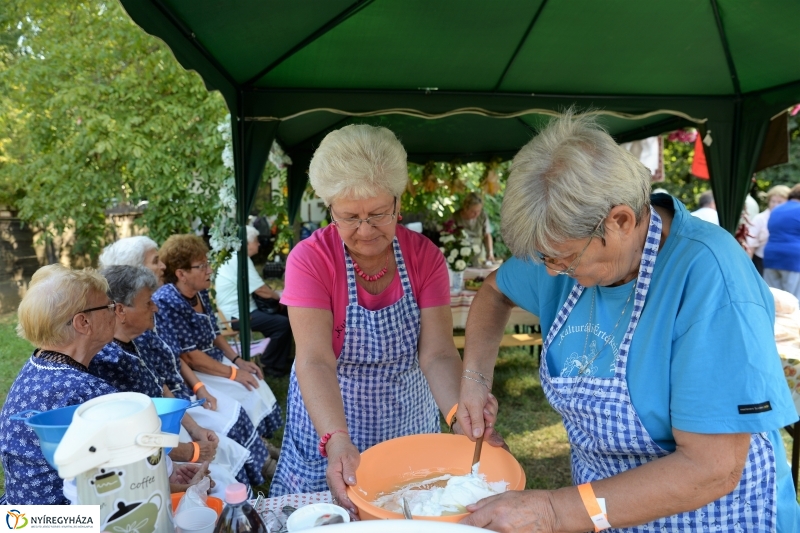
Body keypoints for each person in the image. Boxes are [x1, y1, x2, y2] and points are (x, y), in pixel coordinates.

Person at [457, 113, 799, 532]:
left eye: (563, 258)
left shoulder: (710, 276)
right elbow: (495, 292)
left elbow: (712, 468)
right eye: (545, 258)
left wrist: (553, 511)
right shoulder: (563, 246)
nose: (550, 272)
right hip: (603, 510)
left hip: (713, 516)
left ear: (620, 221)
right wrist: (474, 381)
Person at [270, 124, 504, 514]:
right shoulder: (310, 260)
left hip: (406, 413)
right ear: (331, 209)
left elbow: (438, 354)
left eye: (378, 214)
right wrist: (336, 438)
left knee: (408, 510)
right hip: (332, 411)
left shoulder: (424, 256)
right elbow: (314, 360)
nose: (365, 231)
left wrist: (456, 416)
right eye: (349, 217)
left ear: (398, 201)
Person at [99, 235, 283, 467]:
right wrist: (217, 380)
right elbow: (184, 360)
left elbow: (176, 359)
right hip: (176, 400)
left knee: (243, 397)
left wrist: (233, 362)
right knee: (231, 412)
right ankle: (259, 462)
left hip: (183, 389)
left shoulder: (154, 308)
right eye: (156, 261)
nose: (163, 266)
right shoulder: (139, 324)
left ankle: (260, 451)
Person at [0, 265, 118, 504]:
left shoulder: (37, 365)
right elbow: (133, 471)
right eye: (108, 306)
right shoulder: (87, 391)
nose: (116, 311)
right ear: (83, 322)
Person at [151, 235, 283, 448]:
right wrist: (232, 373)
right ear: (181, 274)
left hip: (211, 360)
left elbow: (214, 332)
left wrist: (238, 360)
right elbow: (189, 357)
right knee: (243, 393)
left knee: (255, 386)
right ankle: (256, 449)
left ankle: (260, 443)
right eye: (201, 266)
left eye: (207, 263)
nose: (209, 270)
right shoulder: (167, 300)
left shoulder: (200, 292)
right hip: (195, 373)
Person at [215, 225, 293, 377]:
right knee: (282, 324)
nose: (258, 244)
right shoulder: (238, 261)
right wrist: (282, 296)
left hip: (242, 311)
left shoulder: (239, 259)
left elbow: (260, 287)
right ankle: (270, 365)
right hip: (234, 316)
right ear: (246, 243)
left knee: (282, 320)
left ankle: (279, 360)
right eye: (256, 241)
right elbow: (261, 290)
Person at [763, 183, 800, 301]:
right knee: (793, 302)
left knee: (773, 300)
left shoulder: (776, 210)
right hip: (793, 259)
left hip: (771, 257)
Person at [747, 185, 790, 276]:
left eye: (779, 202)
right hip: (762, 261)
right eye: (773, 201)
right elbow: (750, 244)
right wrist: (748, 268)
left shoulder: (791, 219)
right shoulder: (760, 218)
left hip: (786, 262)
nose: (775, 205)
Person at [451, 192, 495, 266]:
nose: (476, 214)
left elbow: (487, 235)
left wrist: (490, 252)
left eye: (479, 211)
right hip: (461, 255)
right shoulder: (455, 217)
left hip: (479, 253)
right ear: (465, 208)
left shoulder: (482, 215)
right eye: (473, 212)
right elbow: (450, 237)